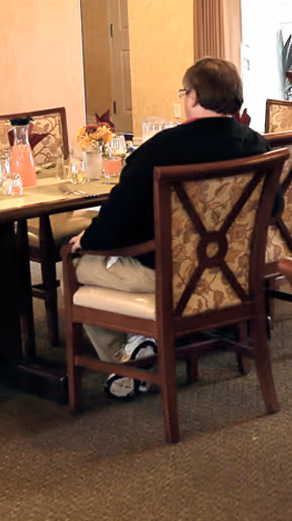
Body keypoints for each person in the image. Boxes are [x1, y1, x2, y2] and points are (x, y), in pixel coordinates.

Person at [62, 57, 276, 396]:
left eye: (184, 93)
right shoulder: (256, 144)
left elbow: (120, 215)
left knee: (76, 266)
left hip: (168, 273)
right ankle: (140, 338)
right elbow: (273, 208)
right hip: (231, 271)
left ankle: (125, 360)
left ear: (193, 96)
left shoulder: (161, 149)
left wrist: (87, 240)